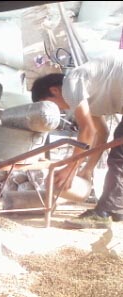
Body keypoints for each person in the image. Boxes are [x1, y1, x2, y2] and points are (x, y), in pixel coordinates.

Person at [31, 55, 123, 228]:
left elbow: (87, 130)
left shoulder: (72, 83)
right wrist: (87, 169)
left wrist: (71, 168)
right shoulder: (86, 95)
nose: (55, 109)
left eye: (48, 104)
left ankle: (105, 213)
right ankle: (115, 210)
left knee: (119, 154)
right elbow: (101, 134)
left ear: (54, 90)